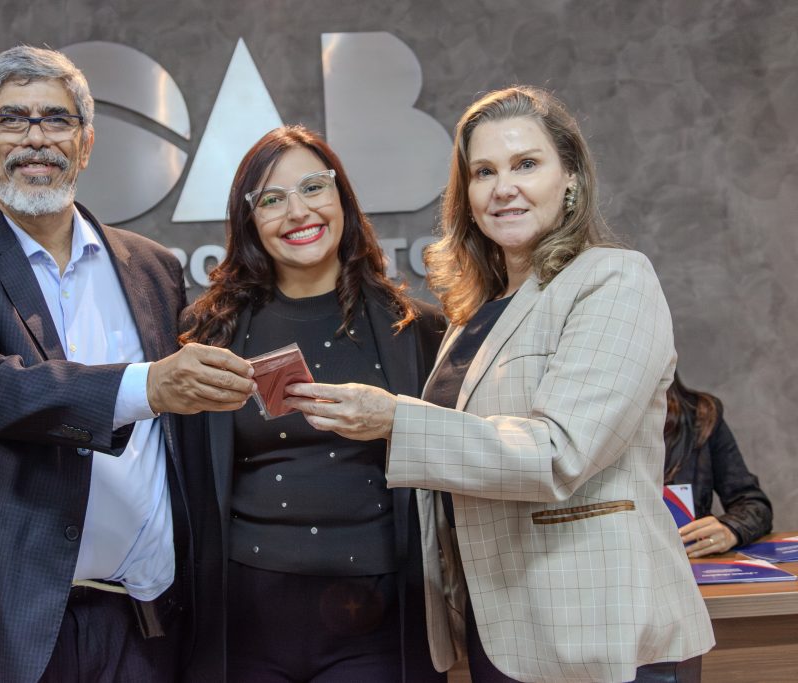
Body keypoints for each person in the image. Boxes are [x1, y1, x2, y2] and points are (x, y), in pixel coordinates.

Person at [287, 86, 715, 682]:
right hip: (506, 626)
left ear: (571, 177)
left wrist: (395, 420)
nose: (502, 187)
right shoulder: (477, 313)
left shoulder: (614, 280)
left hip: (600, 630)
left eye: (526, 164)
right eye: (483, 171)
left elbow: (559, 453)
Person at [0, 46, 254, 683]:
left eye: (56, 119)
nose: (35, 138)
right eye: (11, 119)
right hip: (0, 621)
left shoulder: (154, 267)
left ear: (86, 143)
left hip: (147, 621)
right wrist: (149, 387)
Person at [179, 125, 446, 682]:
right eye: (271, 199)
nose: (297, 212)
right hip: (244, 615)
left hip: (379, 617)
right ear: (249, 220)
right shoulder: (207, 335)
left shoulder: (418, 332)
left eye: (313, 187)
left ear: (341, 196)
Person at [665, 372, 772, 556]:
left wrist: (730, 529)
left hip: (691, 563)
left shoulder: (699, 416)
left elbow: (754, 504)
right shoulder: (610, 425)